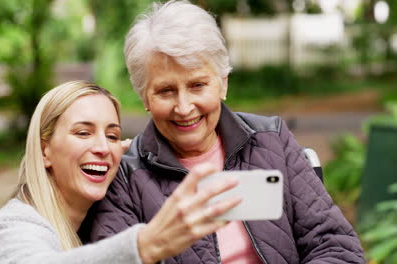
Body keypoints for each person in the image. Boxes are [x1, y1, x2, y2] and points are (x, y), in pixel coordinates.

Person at [83, 1, 366, 263]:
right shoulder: (125, 176)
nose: (184, 107)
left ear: (223, 84)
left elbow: (337, 247)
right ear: (144, 98)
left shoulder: (271, 140)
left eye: (197, 85)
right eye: (166, 90)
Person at [0, 81, 242, 264]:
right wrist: (145, 245)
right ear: (45, 151)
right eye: (83, 132)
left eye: (113, 136)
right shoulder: (9, 228)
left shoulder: (85, 225)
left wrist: (116, 154)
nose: (103, 147)